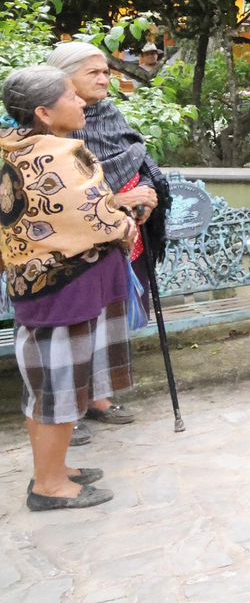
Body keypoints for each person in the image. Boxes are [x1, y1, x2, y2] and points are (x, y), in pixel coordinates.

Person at [2, 66, 148, 510]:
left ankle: (54, 469)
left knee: (47, 385)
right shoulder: (57, 156)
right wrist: (128, 221)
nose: (82, 101)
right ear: (44, 113)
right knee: (60, 386)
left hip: (40, 284)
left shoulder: (15, 147)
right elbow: (95, 218)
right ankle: (49, 487)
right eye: (70, 95)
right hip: (65, 288)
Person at [46, 42, 171, 431]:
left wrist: (147, 190)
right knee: (70, 327)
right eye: (93, 73)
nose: (104, 79)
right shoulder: (47, 129)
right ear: (63, 79)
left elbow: (136, 155)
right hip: (69, 250)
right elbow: (56, 199)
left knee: (105, 321)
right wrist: (117, 200)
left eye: (106, 72)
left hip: (119, 238)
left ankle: (98, 398)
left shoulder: (107, 112)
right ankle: (65, 413)